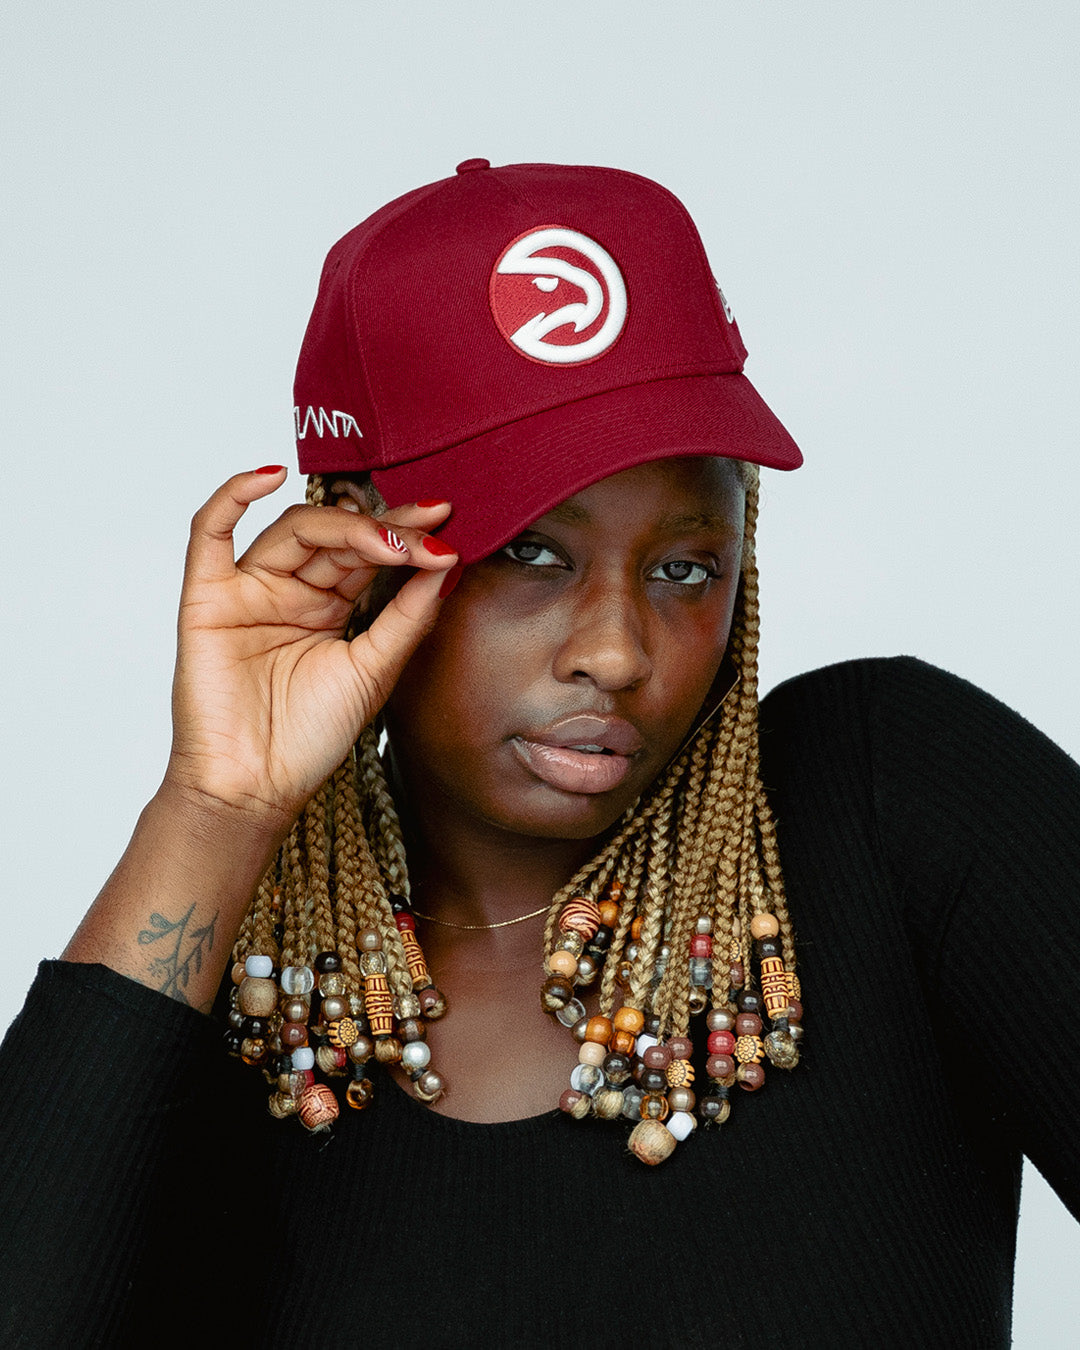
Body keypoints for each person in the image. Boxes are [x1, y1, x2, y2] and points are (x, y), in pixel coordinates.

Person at [1, 159, 1077, 1348]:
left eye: (684, 569)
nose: (616, 652)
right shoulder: (225, 1012)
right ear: (354, 547)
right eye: (531, 553)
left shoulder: (890, 806)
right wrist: (216, 809)